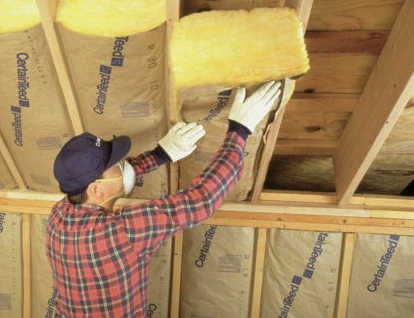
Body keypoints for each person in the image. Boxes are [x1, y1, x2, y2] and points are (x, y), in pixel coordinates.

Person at [46, 81, 281, 317]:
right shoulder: (123, 231)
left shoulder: (59, 214)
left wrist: (161, 154)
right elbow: (201, 199)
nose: (124, 164)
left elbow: (121, 176)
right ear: (96, 190)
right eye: (117, 165)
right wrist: (239, 130)